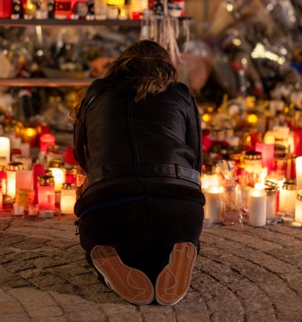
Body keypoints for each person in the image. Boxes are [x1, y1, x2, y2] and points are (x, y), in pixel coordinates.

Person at [72, 40, 204, 306]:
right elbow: (196, 160)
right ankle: (178, 250)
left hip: (108, 210)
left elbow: (81, 155)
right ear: (167, 67)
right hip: (179, 211)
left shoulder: (96, 92)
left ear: (121, 64)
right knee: (172, 237)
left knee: (100, 239)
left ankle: (109, 256)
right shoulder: (181, 94)